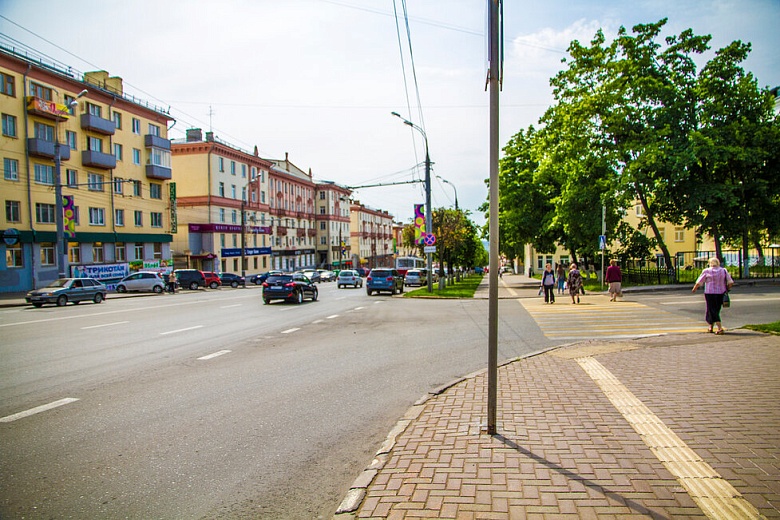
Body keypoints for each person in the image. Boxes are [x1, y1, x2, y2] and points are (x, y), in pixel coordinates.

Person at [692, 258, 734, 334]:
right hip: (721, 293)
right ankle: (710, 327)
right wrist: (727, 289)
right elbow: (730, 282)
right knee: (715, 309)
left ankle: (720, 328)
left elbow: (700, 281)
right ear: (718, 263)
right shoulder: (723, 270)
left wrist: (695, 288)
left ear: (710, 263)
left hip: (710, 293)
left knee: (712, 310)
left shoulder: (707, 271)